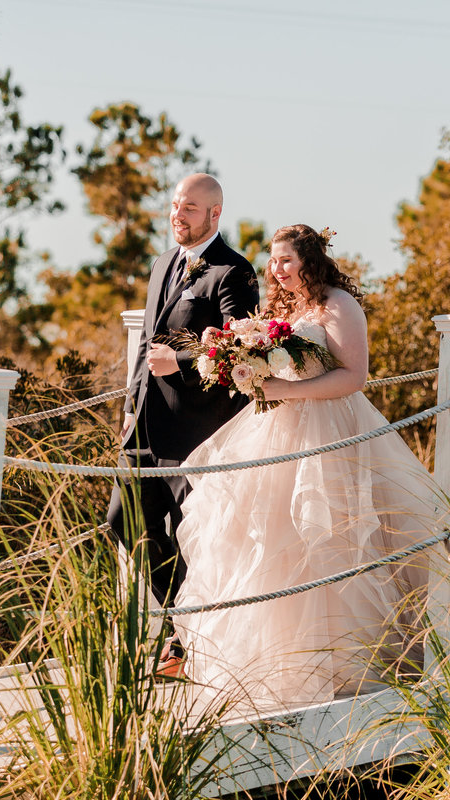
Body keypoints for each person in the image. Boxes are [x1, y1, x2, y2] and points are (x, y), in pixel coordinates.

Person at [172, 224, 440, 713]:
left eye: (286, 260)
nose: (277, 269)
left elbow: (354, 376)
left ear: (310, 260)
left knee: (328, 538)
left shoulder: (339, 305)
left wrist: (285, 391)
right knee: (265, 536)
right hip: (274, 431)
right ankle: (270, 660)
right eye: (273, 261)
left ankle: (346, 663)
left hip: (329, 431)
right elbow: (270, 359)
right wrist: (235, 358)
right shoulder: (286, 309)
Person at [107, 173, 259, 674]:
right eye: (175, 205)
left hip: (199, 433)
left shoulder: (234, 272)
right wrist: (130, 407)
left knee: (199, 536)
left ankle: (194, 644)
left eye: (190, 207)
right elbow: (149, 340)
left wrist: (185, 364)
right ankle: (183, 626)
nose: (178, 214)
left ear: (215, 214)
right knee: (122, 522)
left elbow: (243, 354)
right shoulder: (161, 265)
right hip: (145, 430)